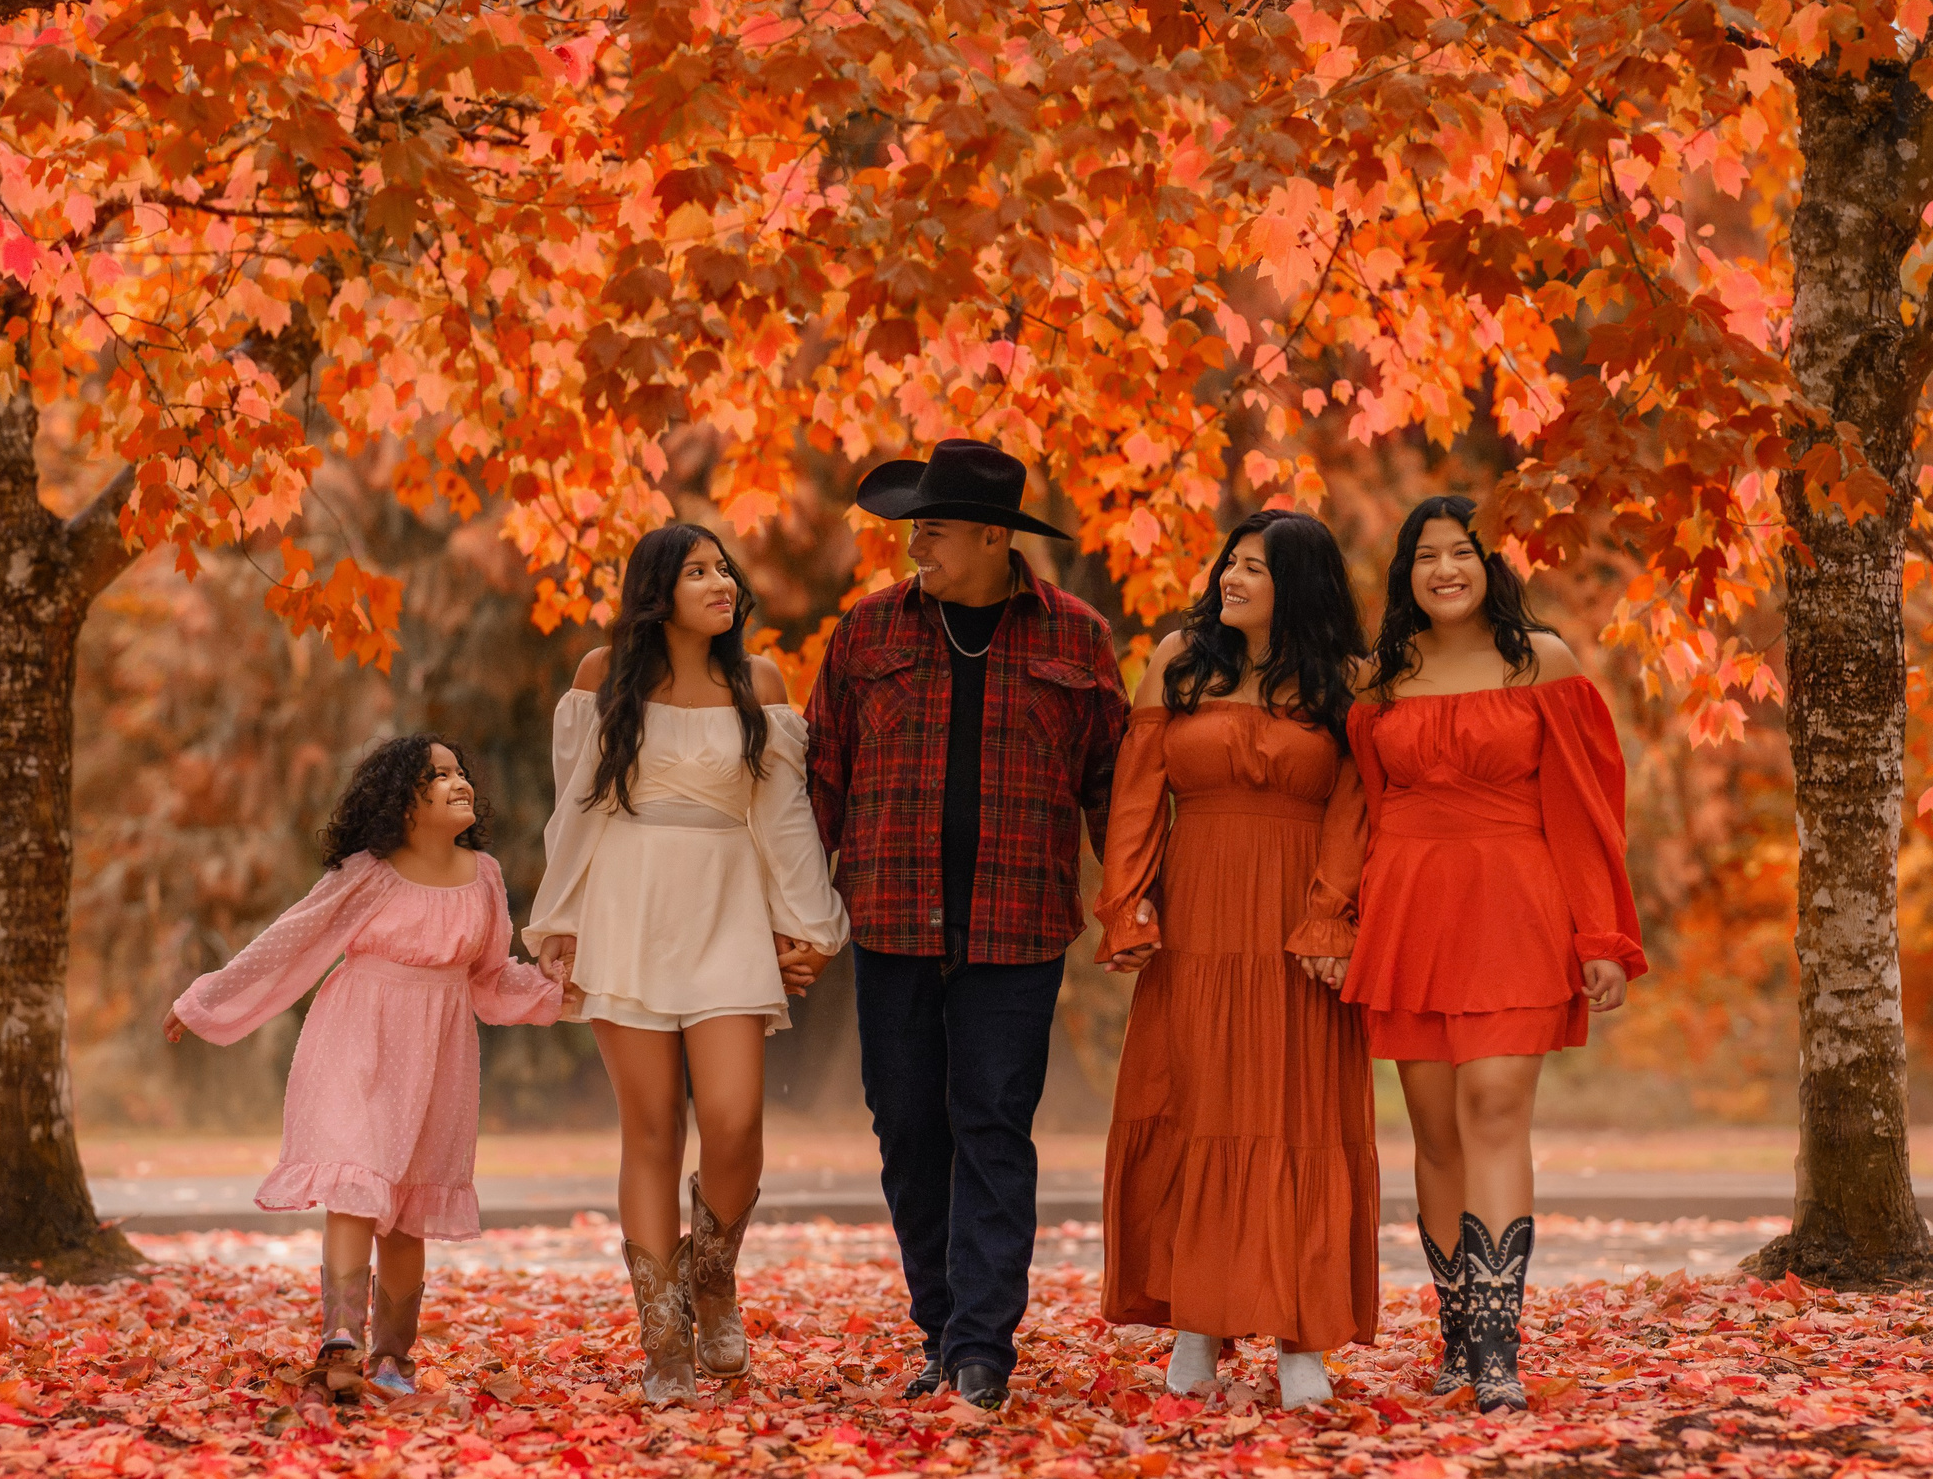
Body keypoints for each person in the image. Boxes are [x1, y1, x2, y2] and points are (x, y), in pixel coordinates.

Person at [807, 438, 1129, 1410]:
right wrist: (793, 911)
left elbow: (1110, 787)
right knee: (907, 1127)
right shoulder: (865, 634)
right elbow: (823, 775)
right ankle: (938, 1323)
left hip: (1017, 926)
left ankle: (981, 1342)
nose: (917, 548)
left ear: (996, 537)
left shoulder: (1076, 638)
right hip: (890, 917)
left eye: (935, 530)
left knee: (992, 1123)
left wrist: (1135, 900)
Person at [526, 522, 849, 1404]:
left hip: (725, 911)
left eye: (724, 569)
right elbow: (577, 811)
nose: (721, 582)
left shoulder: (762, 684)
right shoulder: (604, 678)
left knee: (738, 1121)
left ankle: (713, 1277)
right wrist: (560, 920)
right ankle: (663, 1335)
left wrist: (806, 929)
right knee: (654, 1128)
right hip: (626, 907)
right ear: (657, 589)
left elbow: (784, 822)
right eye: (698, 570)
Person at [1340, 494, 1646, 1413]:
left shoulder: (1539, 662)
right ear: (1406, 574)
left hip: (1516, 900)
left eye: (1462, 554)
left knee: (1495, 1103)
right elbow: (1358, 810)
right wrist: (1337, 917)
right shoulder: (1378, 679)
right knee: (1435, 1130)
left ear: (1490, 566)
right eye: (1427, 555)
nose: (1445, 570)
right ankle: (1456, 1336)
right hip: (1408, 908)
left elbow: (1584, 811)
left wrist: (1601, 936)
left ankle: (1499, 1348)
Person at [165, 736, 566, 1400]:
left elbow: (489, 980)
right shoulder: (369, 874)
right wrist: (207, 999)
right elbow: (289, 940)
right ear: (401, 801)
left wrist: (556, 990)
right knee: (354, 1184)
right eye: (437, 775)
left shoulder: (485, 876)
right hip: (359, 1039)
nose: (459, 781)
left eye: (460, 771)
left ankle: (393, 1360)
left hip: (439, 1054)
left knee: (409, 1211)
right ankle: (339, 1343)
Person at [1092, 512, 1380, 1410]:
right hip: (1199, 920)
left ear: (1300, 582)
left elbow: (1358, 808)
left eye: (1254, 568)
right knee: (1198, 1104)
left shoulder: (1349, 681)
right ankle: (1196, 1323)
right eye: (1230, 564)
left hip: (1298, 923)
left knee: (1297, 1112)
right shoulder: (1180, 660)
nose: (1232, 578)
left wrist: (1332, 919)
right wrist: (1127, 902)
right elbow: (1136, 795)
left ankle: (1302, 1337)